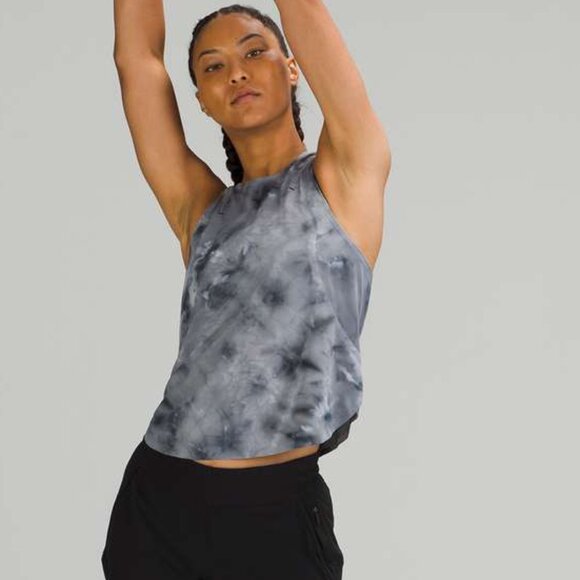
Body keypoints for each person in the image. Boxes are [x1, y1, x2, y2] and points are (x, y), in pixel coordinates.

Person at [102, 1, 391, 578]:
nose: (235, 72)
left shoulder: (346, 175)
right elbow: (138, 62)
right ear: (202, 101)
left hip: (274, 513)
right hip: (159, 502)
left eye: (254, 52)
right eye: (213, 66)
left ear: (293, 67)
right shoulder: (199, 207)